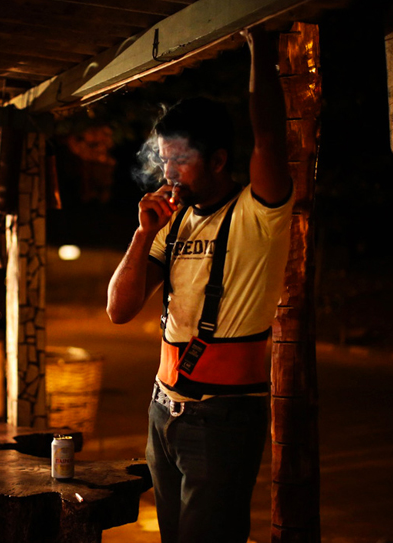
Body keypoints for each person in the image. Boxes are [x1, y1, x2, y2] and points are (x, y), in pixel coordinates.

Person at [106, 27, 292, 543]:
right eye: (164, 161)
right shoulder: (174, 224)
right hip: (161, 411)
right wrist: (144, 235)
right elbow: (119, 311)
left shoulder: (259, 213)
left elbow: (271, 139)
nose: (169, 174)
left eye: (180, 161)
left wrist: (259, 46)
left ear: (218, 160)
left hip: (223, 416)